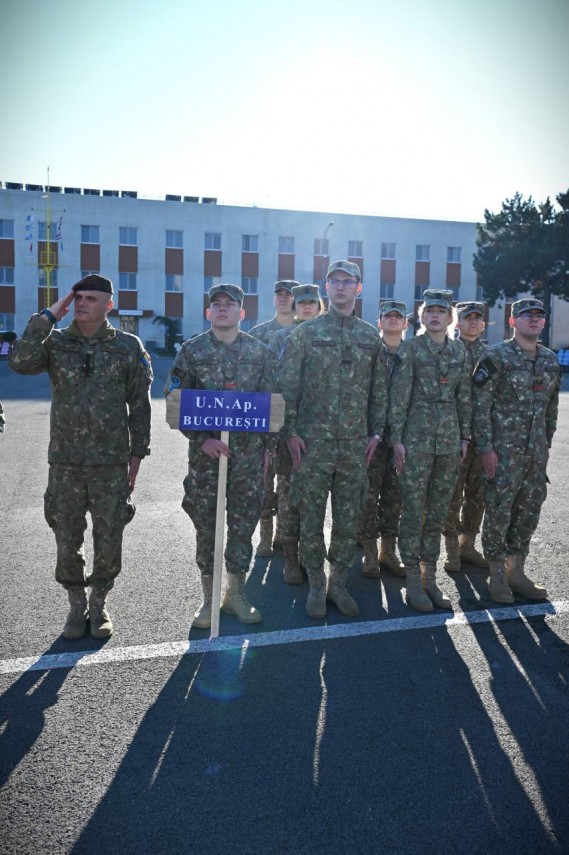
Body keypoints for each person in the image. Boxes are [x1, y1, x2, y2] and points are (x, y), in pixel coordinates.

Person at [9, 274, 152, 639]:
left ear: (109, 305)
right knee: (66, 536)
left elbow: (140, 405)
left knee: (110, 536)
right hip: (66, 462)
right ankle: (76, 605)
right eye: (78, 298)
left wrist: (137, 455)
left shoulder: (127, 346)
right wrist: (48, 316)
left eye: (91, 298)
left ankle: (99, 603)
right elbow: (19, 362)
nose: (82, 303)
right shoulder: (56, 342)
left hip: (110, 464)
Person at [277, 261, 388, 619]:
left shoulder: (371, 336)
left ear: (358, 288)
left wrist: (376, 433)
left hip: (355, 446)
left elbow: (379, 392)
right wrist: (290, 431)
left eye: (348, 282)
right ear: (326, 288)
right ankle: (316, 584)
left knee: (347, 517)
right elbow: (287, 386)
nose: (340, 287)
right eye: (334, 281)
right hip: (313, 445)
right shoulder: (306, 334)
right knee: (310, 516)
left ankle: (338, 583)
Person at [165, 283, 275, 628]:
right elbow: (176, 402)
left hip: (247, 460)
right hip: (207, 461)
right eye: (217, 304)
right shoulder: (191, 351)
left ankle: (236, 594)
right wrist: (201, 440)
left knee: (242, 529)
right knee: (208, 529)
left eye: (231, 305)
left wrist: (269, 451)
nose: (223, 309)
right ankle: (209, 599)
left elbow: (272, 403)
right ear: (208, 312)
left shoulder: (260, 352)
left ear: (242, 313)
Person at [472, 298, 560, 603]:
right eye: (526, 316)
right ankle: (496, 577)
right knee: (498, 513)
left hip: (535, 455)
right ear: (513, 322)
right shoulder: (495, 356)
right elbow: (480, 406)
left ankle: (516, 572)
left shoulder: (549, 359)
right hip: (502, 454)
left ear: (544, 322)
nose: (533, 320)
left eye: (539, 316)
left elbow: (551, 406)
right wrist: (485, 448)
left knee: (528, 513)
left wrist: (546, 441)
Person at [389, 289, 471, 613]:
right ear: (422, 317)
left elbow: (464, 396)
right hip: (417, 441)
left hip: (449, 442)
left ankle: (430, 577)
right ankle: (411, 579)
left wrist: (465, 436)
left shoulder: (460, 352)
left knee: (436, 513)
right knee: (412, 511)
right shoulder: (410, 350)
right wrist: (396, 439)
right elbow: (399, 396)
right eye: (430, 311)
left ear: (450, 318)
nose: (435, 316)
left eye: (441, 311)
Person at [269, 283, 323, 584]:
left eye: (311, 303)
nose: (305, 307)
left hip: (323, 434)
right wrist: (283, 429)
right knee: (288, 496)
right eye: (300, 302)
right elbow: (275, 384)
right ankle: (290, 560)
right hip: (290, 430)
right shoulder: (280, 338)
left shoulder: (329, 336)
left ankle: (310, 557)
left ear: (319, 306)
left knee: (314, 500)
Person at [357, 301, 408, 579]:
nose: (392, 320)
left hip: (402, 438)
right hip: (370, 437)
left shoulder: (412, 354)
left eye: (397, 316)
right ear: (379, 322)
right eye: (387, 316)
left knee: (394, 495)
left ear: (406, 324)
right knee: (367, 495)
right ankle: (368, 552)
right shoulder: (369, 351)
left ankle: (388, 552)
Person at [250, 280, 299, 556]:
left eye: (288, 295)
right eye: (278, 294)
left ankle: (284, 532)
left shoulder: (304, 331)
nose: (283, 298)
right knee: (264, 479)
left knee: (289, 481)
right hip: (265, 416)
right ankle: (265, 536)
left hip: (293, 418)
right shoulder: (259, 333)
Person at [443, 302, 489, 571]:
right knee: (452, 494)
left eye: (477, 318)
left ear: (483, 323)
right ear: (456, 323)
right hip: (453, 433)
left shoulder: (493, 355)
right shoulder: (448, 350)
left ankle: (467, 544)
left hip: (482, 434)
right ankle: (451, 550)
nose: (473, 322)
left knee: (478, 493)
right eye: (467, 318)